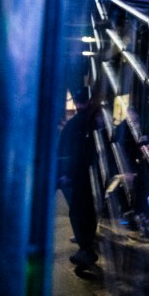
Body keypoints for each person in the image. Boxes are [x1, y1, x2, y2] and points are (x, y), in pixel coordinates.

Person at [57, 87, 99, 268]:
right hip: (90, 175)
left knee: (78, 211)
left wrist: (66, 174)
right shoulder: (93, 122)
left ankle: (86, 249)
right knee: (87, 210)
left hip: (76, 176)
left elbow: (67, 152)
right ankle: (86, 246)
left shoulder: (74, 124)